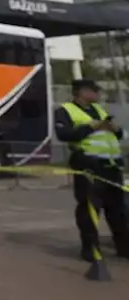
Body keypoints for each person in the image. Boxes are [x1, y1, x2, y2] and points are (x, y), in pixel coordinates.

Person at [55, 79, 128, 263]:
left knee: (118, 210)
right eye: (94, 91)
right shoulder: (65, 110)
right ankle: (90, 249)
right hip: (89, 167)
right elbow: (64, 135)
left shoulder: (99, 109)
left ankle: (124, 247)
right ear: (82, 91)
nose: (98, 94)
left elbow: (114, 135)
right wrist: (89, 127)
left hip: (111, 167)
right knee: (89, 209)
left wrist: (116, 130)